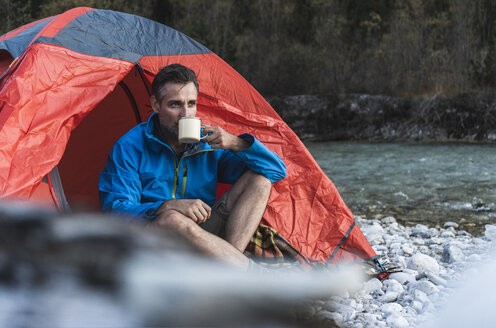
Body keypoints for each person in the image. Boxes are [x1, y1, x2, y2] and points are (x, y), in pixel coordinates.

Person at [99, 64, 286, 269]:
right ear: (155, 105)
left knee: (260, 180)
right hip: (155, 239)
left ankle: (229, 266)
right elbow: (115, 211)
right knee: (172, 219)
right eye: (175, 104)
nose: (185, 114)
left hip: (204, 231)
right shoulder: (130, 147)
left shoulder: (207, 142)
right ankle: (251, 274)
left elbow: (275, 172)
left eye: (191, 103)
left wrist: (236, 143)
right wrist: (167, 206)